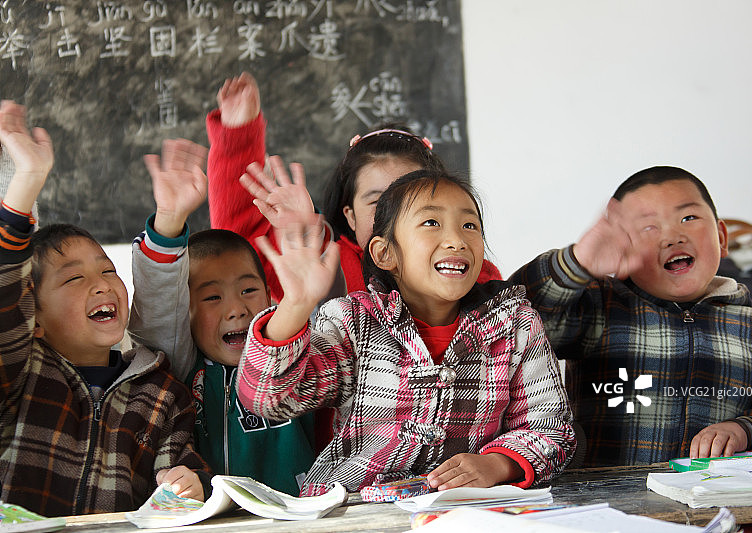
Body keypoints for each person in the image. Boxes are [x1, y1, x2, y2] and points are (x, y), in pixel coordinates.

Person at [236, 168, 575, 496]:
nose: (457, 240)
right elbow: (268, 399)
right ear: (385, 254)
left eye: (469, 225)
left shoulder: (515, 324)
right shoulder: (353, 322)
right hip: (356, 510)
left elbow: (551, 429)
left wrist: (498, 464)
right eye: (431, 223)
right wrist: (295, 304)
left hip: (466, 512)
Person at [508, 166, 752, 466]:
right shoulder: (598, 307)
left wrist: (748, 430)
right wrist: (576, 262)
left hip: (717, 490)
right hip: (607, 491)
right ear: (622, 248)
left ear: (722, 237)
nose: (672, 237)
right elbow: (516, 314)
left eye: (688, 218)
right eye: (648, 227)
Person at [0, 100, 209, 517]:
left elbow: (182, 468)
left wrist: (192, 481)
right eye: (73, 279)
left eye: (108, 270)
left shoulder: (161, 391)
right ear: (33, 319)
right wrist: (26, 183)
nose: (101, 284)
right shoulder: (20, 372)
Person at [206, 71, 502, 301]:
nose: (391, 214)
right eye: (376, 202)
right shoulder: (324, 265)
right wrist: (238, 136)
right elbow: (240, 248)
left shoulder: (470, 271)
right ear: (350, 216)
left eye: (409, 200)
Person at [127, 139, 316, 496]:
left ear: (271, 296)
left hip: (301, 513)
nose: (236, 309)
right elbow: (157, 308)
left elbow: (311, 290)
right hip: (213, 515)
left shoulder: (295, 353)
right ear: (185, 310)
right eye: (212, 297)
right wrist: (168, 221)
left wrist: (302, 233)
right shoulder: (181, 366)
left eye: (248, 290)